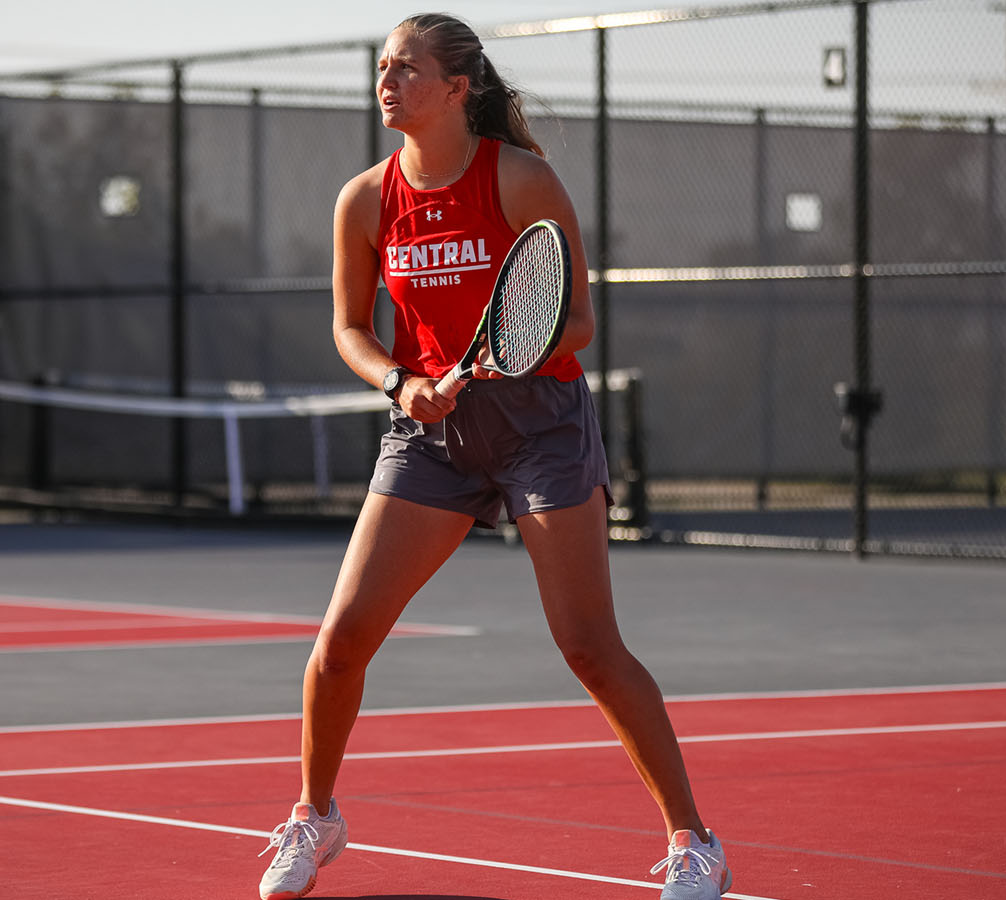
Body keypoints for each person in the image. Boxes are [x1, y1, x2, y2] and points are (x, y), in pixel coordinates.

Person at [257, 13, 731, 900]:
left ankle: (694, 840)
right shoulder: (363, 200)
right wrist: (404, 386)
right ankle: (314, 816)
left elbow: (579, 321)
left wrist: (503, 360)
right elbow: (350, 329)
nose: (387, 82)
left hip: (540, 427)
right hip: (427, 435)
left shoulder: (520, 180)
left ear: (456, 88)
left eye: (406, 69)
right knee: (342, 641)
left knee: (589, 646)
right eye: (381, 69)